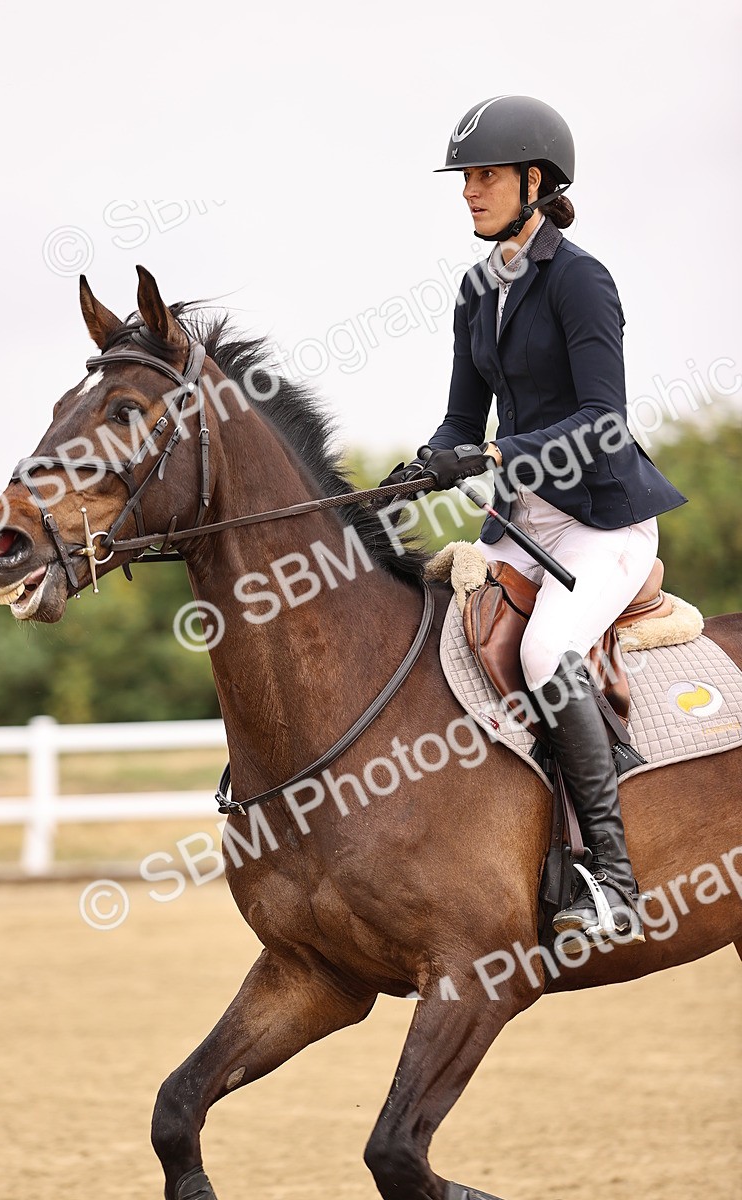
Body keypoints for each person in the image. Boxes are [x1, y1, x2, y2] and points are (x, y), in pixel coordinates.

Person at [381, 95, 687, 949]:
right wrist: (415, 470)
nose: (469, 192)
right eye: (466, 177)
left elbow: (603, 421)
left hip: (603, 524)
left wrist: (489, 455)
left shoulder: (580, 279)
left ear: (536, 181)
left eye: (484, 176)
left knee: (546, 650)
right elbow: (458, 419)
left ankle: (614, 881)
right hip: (519, 528)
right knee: (447, 635)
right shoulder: (479, 288)